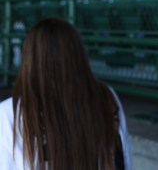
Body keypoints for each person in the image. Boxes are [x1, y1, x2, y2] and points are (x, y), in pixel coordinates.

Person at [0, 17, 132, 170]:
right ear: (78, 56)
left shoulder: (9, 112)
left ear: (29, 60)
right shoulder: (107, 97)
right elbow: (125, 162)